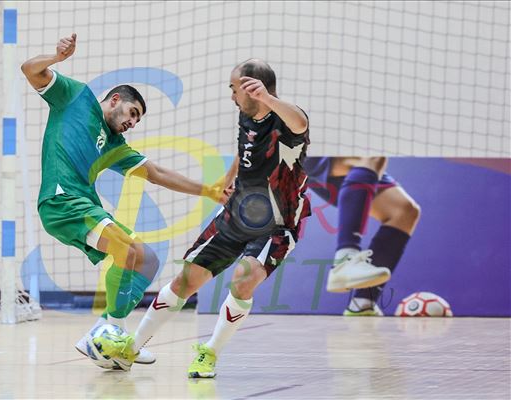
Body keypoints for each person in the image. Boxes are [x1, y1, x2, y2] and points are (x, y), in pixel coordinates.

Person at [92, 59, 392, 378]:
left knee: (242, 280)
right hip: (236, 213)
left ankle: (209, 353)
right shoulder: (246, 115)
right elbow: (244, 147)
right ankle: (131, 348)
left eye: (235, 88)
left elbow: (301, 123)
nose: (232, 95)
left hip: (277, 224)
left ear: (253, 88)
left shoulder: (284, 122)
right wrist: (227, 178)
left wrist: (268, 98)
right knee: (185, 280)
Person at [21, 33, 227, 368]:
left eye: (137, 119)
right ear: (115, 99)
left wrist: (208, 191)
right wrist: (56, 58)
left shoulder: (116, 145)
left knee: (146, 260)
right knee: (123, 249)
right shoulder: (75, 97)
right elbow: (30, 69)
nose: (132, 122)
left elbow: (156, 172)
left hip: (84, 205)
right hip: (61, 201)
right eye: (132, 112)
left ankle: (104, 337)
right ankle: (109, 335)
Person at [304, 157, 421, 315]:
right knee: (369, 157)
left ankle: (362, 303)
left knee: (403, 211)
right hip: (303, 144)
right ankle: (344, 260)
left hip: (344, 146)